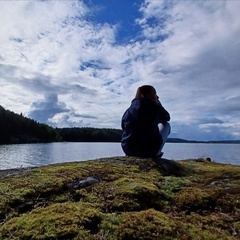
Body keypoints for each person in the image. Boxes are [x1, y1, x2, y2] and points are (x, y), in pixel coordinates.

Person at [121, 85, 171, 158]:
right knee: (166, 125)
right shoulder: (154, 107)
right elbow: (166, 117)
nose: (157, 96)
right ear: (146, 95)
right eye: (154, 93)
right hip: (148, 151)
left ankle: (133, 152)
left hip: (128, 150)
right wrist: (159, 104)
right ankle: (156, 153)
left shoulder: (128, 110)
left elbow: (123, 127)